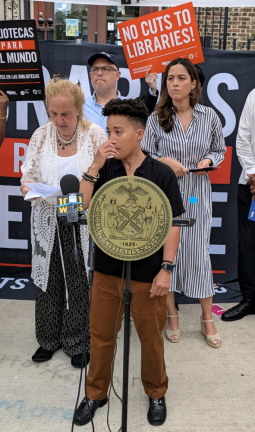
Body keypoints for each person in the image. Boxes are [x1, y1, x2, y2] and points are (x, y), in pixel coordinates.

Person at [74, 98, 185, 427]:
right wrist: (94, 165)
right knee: (101, 336)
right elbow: (81, 206)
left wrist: (167, 269)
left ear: (139, 134)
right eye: (108, 131)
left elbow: (174, 223)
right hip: (107, 270)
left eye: (117, 131)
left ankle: (156, 392)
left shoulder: (161, 173)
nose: (110, 138)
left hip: (148, 275)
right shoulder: (106, 167)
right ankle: (96, 393)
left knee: (150, 338)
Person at [20, 77, 106, 367]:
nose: (59, 120)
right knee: (47, 278)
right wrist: (28, 187)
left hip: (80, 220)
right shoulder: (40, 136)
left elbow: (106, 176)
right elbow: (27, 175)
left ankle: (77, 341)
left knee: (79, 279)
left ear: (79, 109)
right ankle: (47, 338)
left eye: (65, 114)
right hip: (46, 217)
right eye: (53, 114)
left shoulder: (95, 136)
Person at [141, 58, 226, 348]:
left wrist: (210, 160)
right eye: (170, 79)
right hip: (167, 192)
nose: (174, 83)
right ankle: (172, 314)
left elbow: (219, 149)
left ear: (193, 83)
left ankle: (206, 319)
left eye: (180, 78)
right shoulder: (156, 117)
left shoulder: (209, 116)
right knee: (169, 255)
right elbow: (144, 153)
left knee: (199, 253)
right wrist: (164, 161)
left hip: (198, 190)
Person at [221, 89, 255, 321]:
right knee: (248, 245)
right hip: (251, 186)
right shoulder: (254, 95)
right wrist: (253, 174)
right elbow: (243, 136)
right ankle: (250, 299)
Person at [84, 52, 158, 130]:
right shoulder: (78, 108)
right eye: (95, 69)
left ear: (117, 75)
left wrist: (152, 90)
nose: (99, 73)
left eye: (105, 69)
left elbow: (144, 117)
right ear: (90, 75)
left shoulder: (130, 107)